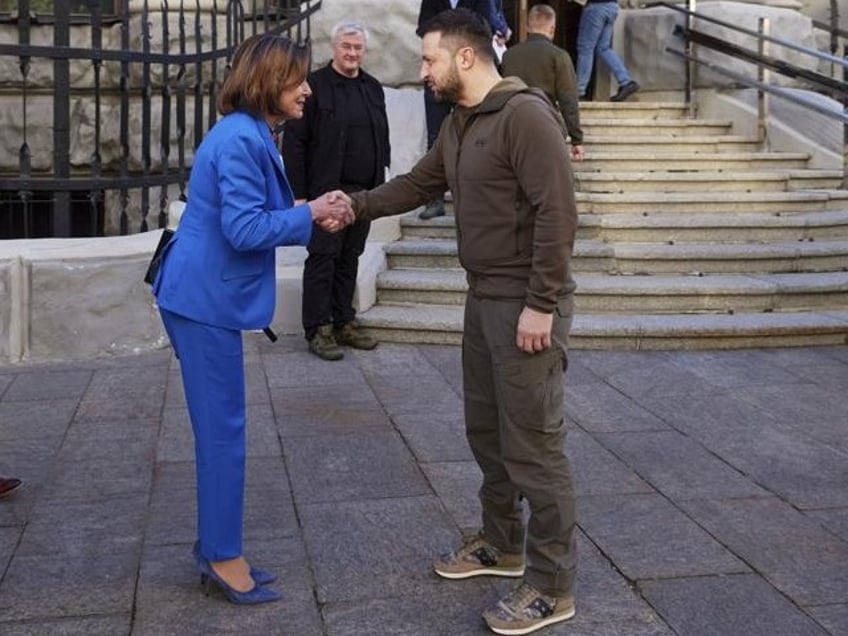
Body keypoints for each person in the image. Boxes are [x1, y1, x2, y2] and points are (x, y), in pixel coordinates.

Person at [349, 9, 578, 635]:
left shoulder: (526, 116)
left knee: (535, 446)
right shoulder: (462, 123)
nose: (423, 70)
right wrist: (356, 206)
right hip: (483, 300)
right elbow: (421, 184)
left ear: (466, 58)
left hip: (525, 304)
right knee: (489, 433)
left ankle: (552, 585)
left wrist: (541, 304)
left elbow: (558, 214)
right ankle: (502, 546)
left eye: (429, 60)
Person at [151, 33, 354, 605]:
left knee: (224, 429)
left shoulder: (246, 132)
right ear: (269, 81)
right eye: (298, 79)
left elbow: (251, 215)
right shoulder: (241, 139)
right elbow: (243, 232)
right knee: (224, 432)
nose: (308, 89)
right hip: (201, 302)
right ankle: (221, 556)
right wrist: (310, 213)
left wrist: (307, 210)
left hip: (199, 295)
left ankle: (217, 546)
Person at [281, 21, 389, 361]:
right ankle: (318, 328)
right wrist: (299, 196)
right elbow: (295, 143)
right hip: (325, 192)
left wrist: (382, 178)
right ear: (334, 47)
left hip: (363, 195)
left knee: (349, 257)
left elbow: (381, 135)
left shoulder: (373, 87)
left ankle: (344, 321)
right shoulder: (313, 86)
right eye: (346, 46)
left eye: (358, 48)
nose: (352, 53)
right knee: (323, 258)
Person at [417, 0, 510, 220]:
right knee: (435, 137)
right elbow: (423, 26)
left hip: (467, 74)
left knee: (481, 135)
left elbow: (484, 26)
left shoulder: (523, 112)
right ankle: (435, 199)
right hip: (441, 78)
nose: (422, 72)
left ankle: (480, 198)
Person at [501, 3, 585, 162]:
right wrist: (576, 139)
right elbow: (568, 100)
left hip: (511, 126)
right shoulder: (559, 56)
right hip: (545, 125)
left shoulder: (508, 56)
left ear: (527, 27)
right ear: (552, 29)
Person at [576, 0, 639, 101]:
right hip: (612, 6)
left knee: (585, 48)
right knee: (604, 48)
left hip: (596, 7)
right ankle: (626, 81)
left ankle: (579, 91)